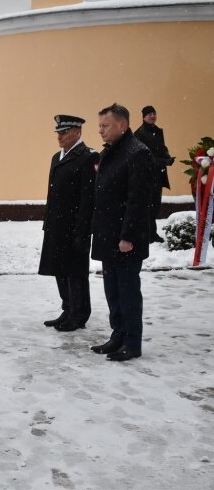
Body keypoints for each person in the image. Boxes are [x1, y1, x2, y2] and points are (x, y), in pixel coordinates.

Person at [90, 103, 153, 362]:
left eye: (105, 126)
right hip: (108, 235)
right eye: (100, 126)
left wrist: (127, 236)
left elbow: (138, 200)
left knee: (127, 290)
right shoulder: (111, 152)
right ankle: (117, 335)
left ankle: (131, 342)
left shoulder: (137, 153)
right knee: (112, 289)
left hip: (125, 239)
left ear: (122, 125)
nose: (101, 131)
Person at [38, 115, 99, 332]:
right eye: (58, 133)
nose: (60, 136)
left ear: (78, 132)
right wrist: (48, 221)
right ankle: (68, 308)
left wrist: (83, 230)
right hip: (57, 225)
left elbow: (87, 198)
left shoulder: (88, 157)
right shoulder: (57, 157)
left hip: (75, 226)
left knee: (75, 272)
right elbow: (53, 193)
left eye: (64, 132)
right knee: (59, 269)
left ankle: (79, 313)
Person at [134, 105, 174, 243]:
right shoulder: (139, 134)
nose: (152, 116)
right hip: (146, 176)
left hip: (158, 174)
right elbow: (144, 158)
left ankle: (152, 233)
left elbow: (162, 147)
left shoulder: (158, 131)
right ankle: (147, 234)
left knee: (155, 205)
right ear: (144, 116)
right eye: (149, 114)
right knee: (148, 206)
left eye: (154, 113)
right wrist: (164, 161)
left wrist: (167, 156)